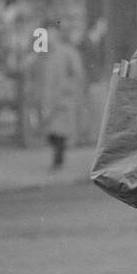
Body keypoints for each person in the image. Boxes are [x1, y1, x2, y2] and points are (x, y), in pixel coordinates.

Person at [37, 21, 85, 169]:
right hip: (48, 98)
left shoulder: (68, 52)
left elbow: (77, 73)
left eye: (52, 33)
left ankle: (58, 160)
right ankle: (58, 158)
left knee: (59, 131)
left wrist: (69, 88)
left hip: (63, 96)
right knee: (51, 131)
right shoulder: (44, 55)